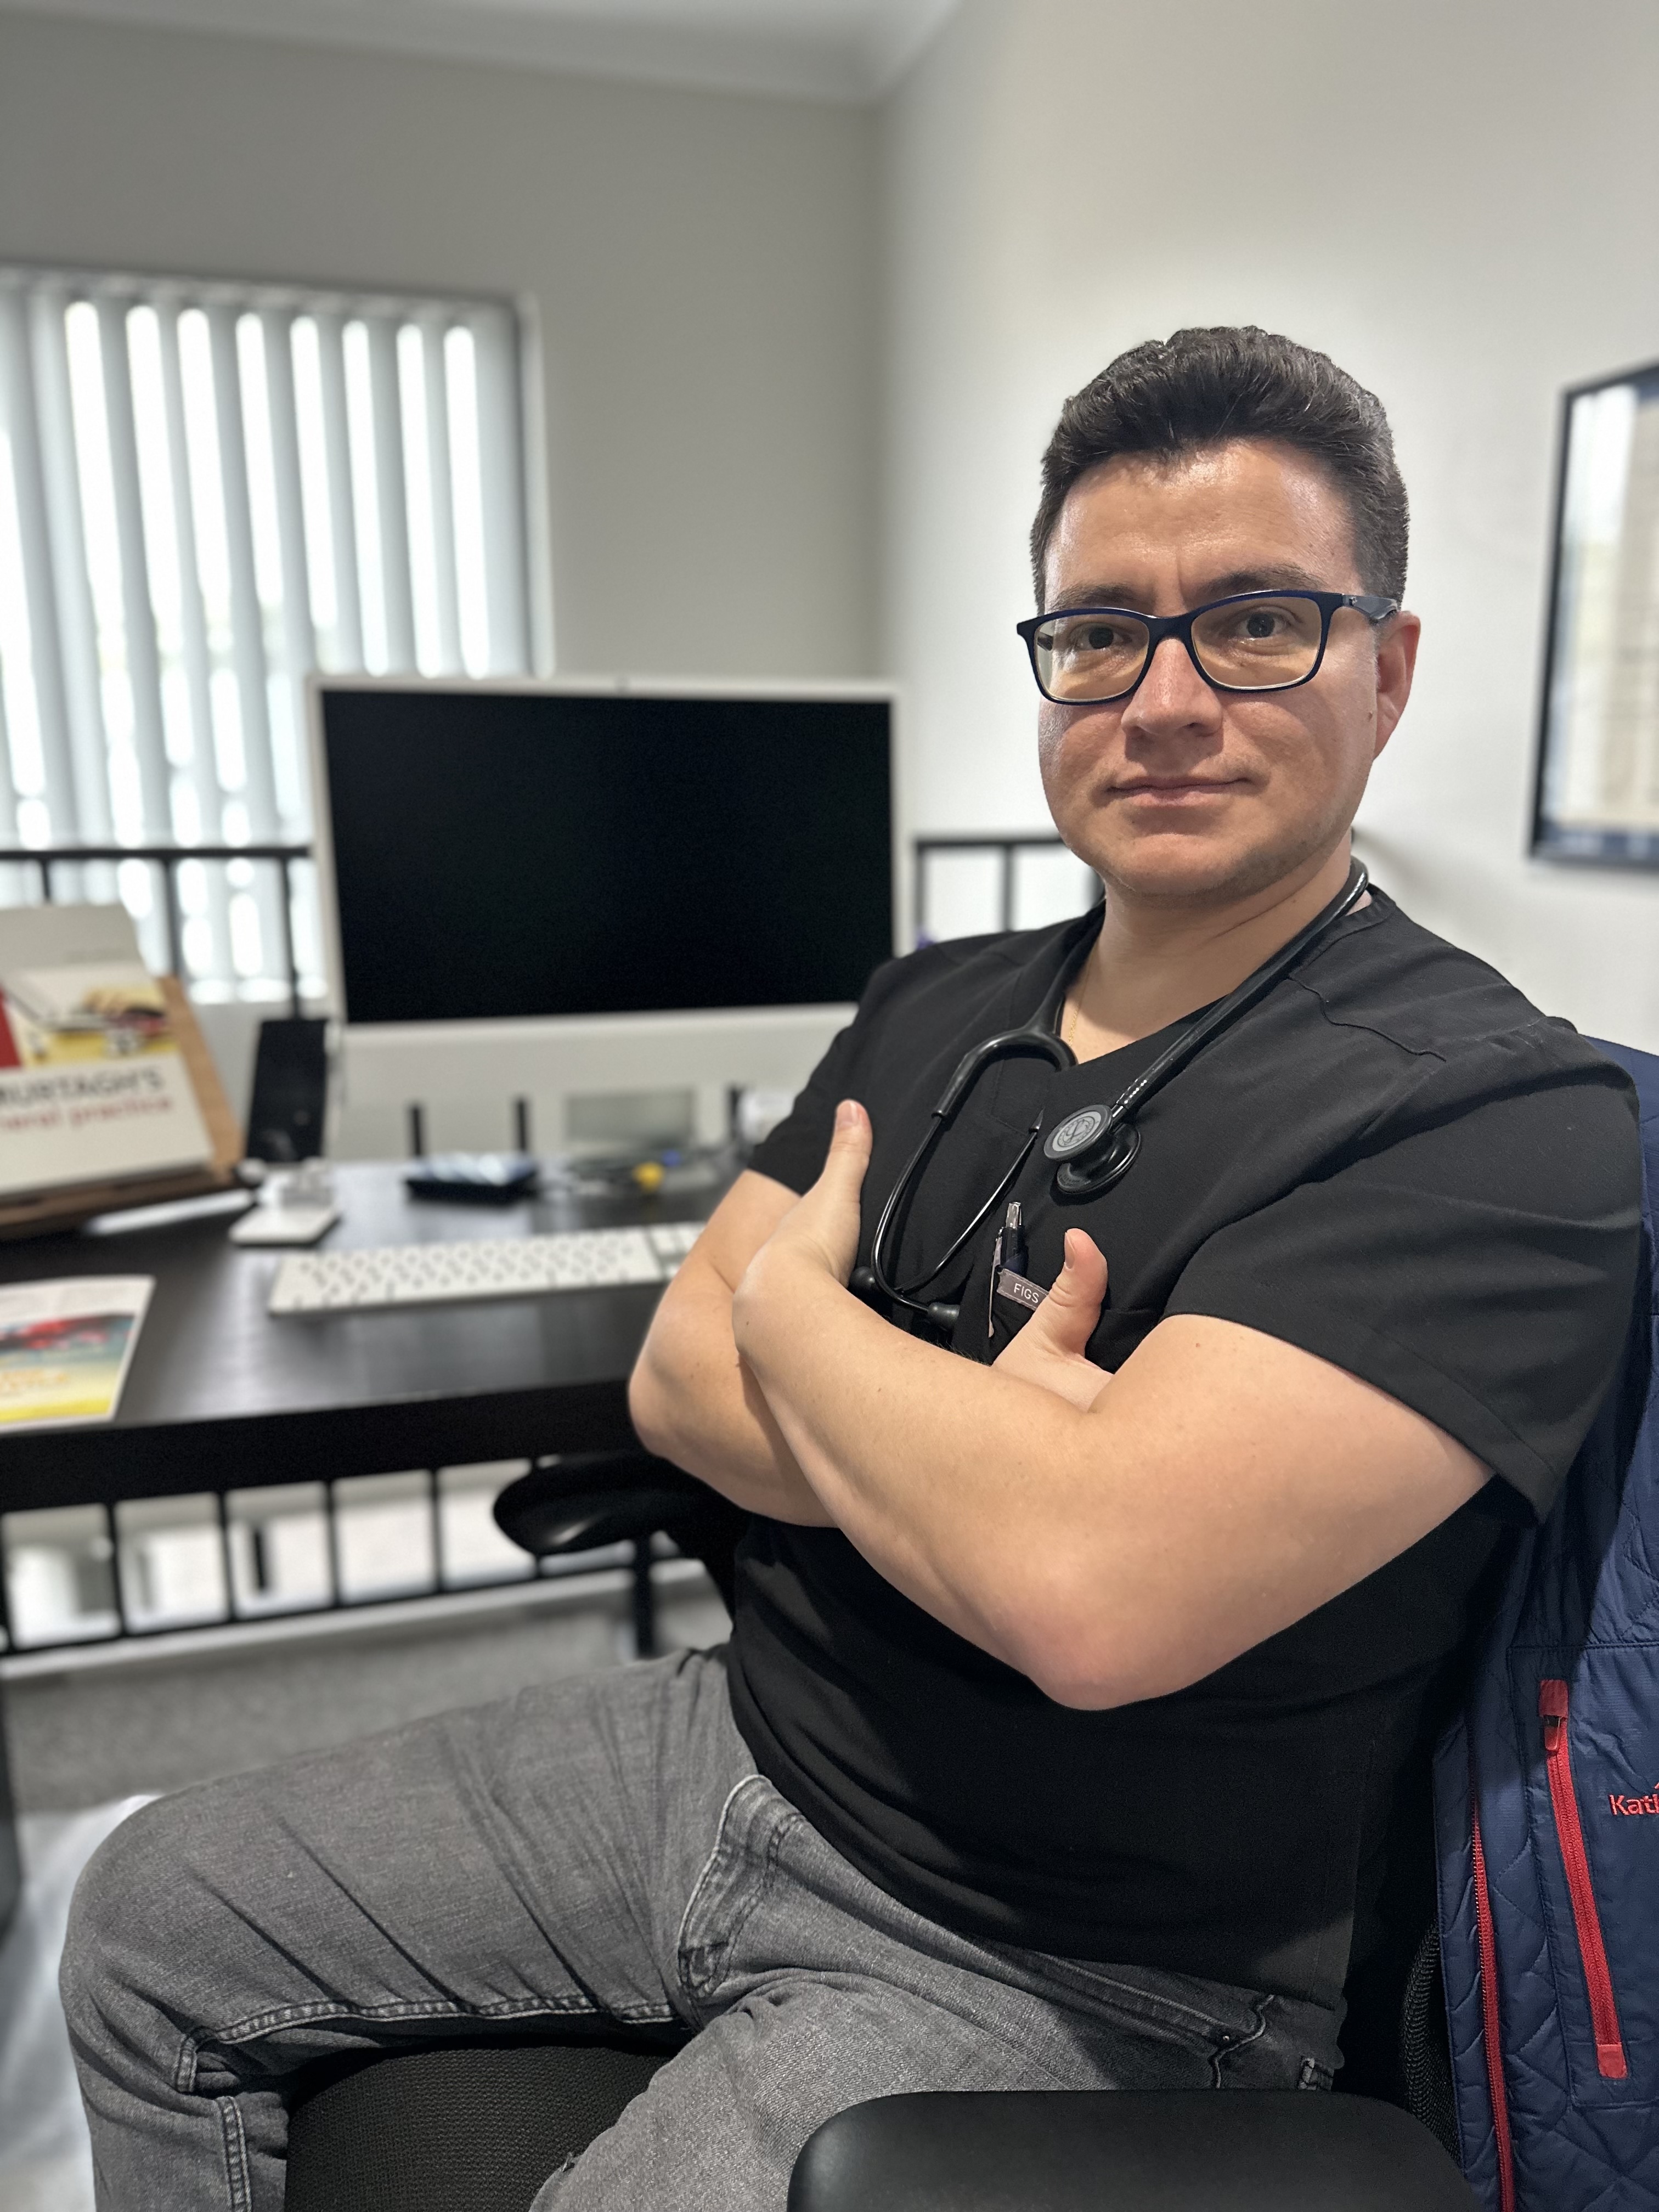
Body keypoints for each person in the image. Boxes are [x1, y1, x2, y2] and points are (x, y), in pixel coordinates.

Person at [61, 327, 1639, 2212]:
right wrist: (990, 1452)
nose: (1163, 698)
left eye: (1258, 623)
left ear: (1387, 670)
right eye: (1098, 633)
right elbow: (674, 1375)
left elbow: (1089, 1589)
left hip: (1084, 1952)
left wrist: (808, 1321)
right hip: (736, 1743)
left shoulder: (1506, 1122)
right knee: (144, 1915)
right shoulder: (936, 1001)